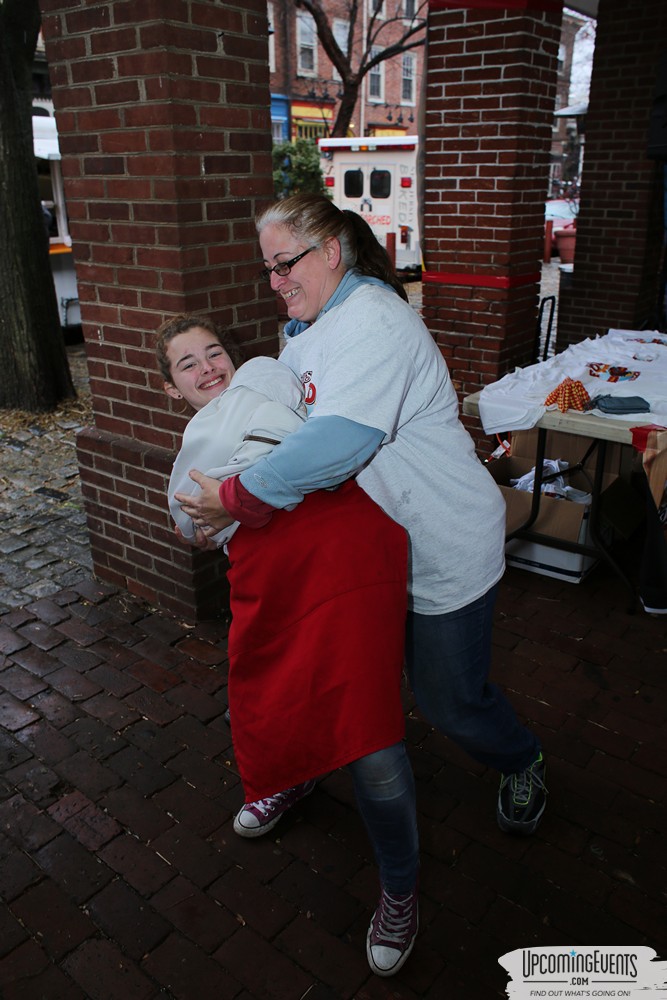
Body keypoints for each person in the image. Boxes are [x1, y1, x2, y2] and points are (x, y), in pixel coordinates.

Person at [175, 194, 548, 849]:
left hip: (441, 545)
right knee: (339, 691)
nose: (274, 281)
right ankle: (303, 769)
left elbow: (335, 445)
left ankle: (521, 760)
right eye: (266, 268)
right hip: (369, 556)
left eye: (284, 262)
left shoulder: (374, 320)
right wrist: (216, 513)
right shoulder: (302, 334)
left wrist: (233, 500)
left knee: (448, 703)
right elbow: (279, 439)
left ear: (330, 251)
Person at [157, 314, 420, 977]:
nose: (206, 367)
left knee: (371, 741)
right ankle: (292, 777)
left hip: (343, 564)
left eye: (213, 352)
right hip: (271, 586)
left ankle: (398, 890)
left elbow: (302, 458)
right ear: (170, 390)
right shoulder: (198, 440)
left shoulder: (270, 388)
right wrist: (227, 502)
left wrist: (240, 495)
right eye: (187, 364)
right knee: (271, 695)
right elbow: (191, 521)